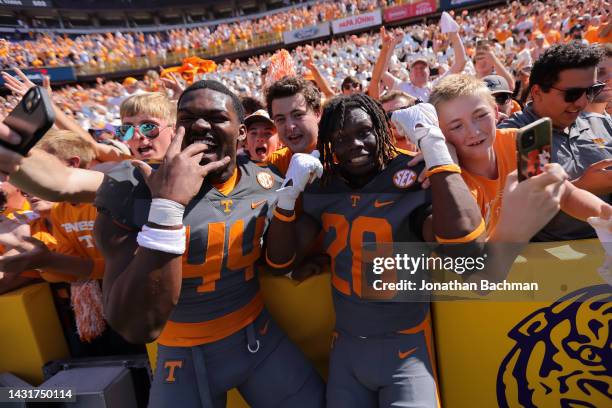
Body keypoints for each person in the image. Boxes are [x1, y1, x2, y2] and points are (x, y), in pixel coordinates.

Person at [94, 80, 324, 407]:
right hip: (183, 356)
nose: (201, 125)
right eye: (188, 118)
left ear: (240, 131)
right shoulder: (135, 186)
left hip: (257, 337)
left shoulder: (264, 181)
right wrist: (167, 206)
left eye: (215, 117)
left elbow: (280, 256)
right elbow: (131, 324)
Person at [266, 93, 485, 407]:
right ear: (329, 141)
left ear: (382, 129)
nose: (354, 145)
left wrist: (434, 146)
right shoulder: (324, 184)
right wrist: (287, 198)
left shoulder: (410, 172)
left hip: (406, 349)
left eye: (364, 132)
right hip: (346, 350)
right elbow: (279, 261)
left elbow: (468, 250)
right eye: (340, 138)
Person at [428, 74, 612, 239]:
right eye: (456, 126)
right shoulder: (448, 177)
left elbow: (564, 194)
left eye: (481, 115)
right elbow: (472, 255)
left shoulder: (520, 142)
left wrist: (606, 214)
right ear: (440, 131)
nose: (473, 131)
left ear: (495, 112)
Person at [499, 41, 611, 241]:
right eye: (572, 94)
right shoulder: (516, 136)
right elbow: (523, 211)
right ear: (537, 92)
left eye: (591, 91)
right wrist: (582, 186)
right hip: (549, 262)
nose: (583, 102)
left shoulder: (601, 122)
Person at [266, 76, 322, 175]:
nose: (290, 126)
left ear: (317, 113)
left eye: (298, 115)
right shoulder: (273, 165)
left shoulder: (340, 156)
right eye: (280, 119)